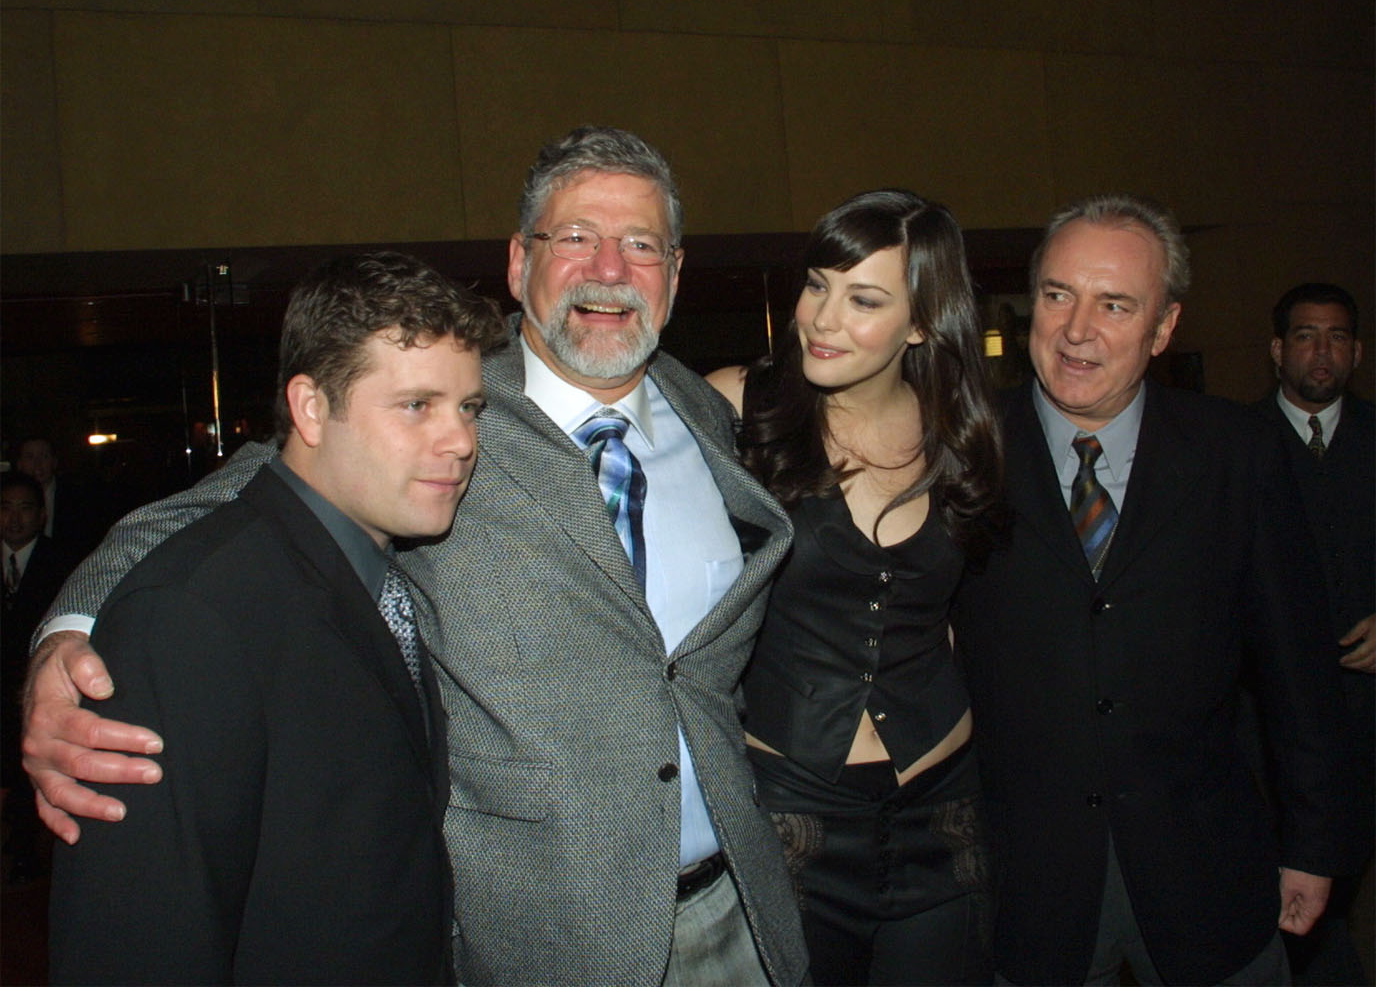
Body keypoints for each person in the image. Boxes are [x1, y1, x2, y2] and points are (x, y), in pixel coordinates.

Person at [23, 126, 808, 986]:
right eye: (576, 238)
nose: (609, 270)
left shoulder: (705, 412)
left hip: (737, 909)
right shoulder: (444, 408)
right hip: (540, 941)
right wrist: (68, 637)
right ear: (518, 263)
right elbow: (207, 514)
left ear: (677, 273)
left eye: (641, 245)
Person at [45, 251, 504, 984]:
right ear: (312, 407)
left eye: (469, 407)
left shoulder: (379, 569)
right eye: (417, 405)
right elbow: (137, 942)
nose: (461, 441)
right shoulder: (190, 616)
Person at [948, 195, 1358, 985]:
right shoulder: (962, 453)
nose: (1076, 330)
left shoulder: (1237, 455)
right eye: (1060, 295)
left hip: (1208, 872)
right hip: (1024, 886)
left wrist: (1314, 844)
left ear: (1164, 327)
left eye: (1115, 305)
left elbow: (1298, 669)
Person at [707, 190, 1004, 985]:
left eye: (863, 299)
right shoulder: (738, 407)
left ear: (920, 322)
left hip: (944, 809)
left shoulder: (963, 434)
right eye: (817, 285)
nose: (822, 318)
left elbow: (950, 615)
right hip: (792, 809)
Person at [1254, 281, 1373, 985]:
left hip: (1363, 717)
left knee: (1342, 872)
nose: (1320, 352)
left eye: (1335, 337)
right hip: (1263, 722)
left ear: (1355, 352)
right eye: (1305, 335)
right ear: (1277, 350)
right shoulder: (1231, 447)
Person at [2, 471, 77, 885]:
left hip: (33, 687)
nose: (14, 520)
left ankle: (27, 848)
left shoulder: (63, 562)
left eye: (24, 509)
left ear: (41, 514)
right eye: (5, 509)